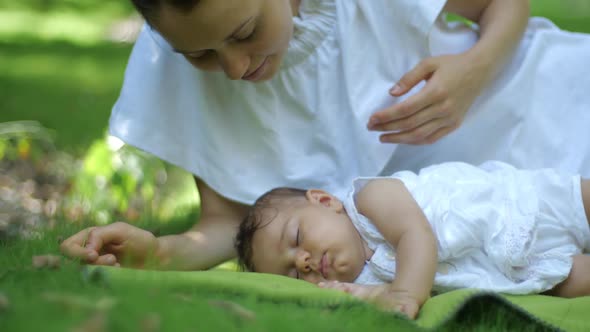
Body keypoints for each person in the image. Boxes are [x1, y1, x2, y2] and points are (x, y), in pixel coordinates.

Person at [60, 0, 590, 271]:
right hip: (488, 216)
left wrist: (473, 71)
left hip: (552, 101)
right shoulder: (193, 65)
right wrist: (158, 254)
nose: (235, 65)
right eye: (199, 54)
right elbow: (232, 222)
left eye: (245, 31)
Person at [234, 161, 590, 319]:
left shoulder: (370, 200)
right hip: (515, 270)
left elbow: (415, 236)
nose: (303, 262)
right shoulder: (362, 279)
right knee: (571, 282)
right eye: (295, 275)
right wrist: (371, 295)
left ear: (326, 202)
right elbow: (379, 298)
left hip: (519, 208)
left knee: (581, 201)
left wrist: (404, 295)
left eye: (296, 238)